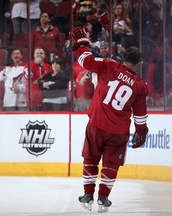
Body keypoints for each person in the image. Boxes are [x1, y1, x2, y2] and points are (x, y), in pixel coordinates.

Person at [70, 27, 149, 212]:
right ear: (138, 64)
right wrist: (141, 133)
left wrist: (81, 44)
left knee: (91, 158)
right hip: (119, 131)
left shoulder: (109, 65)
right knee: (111, 163)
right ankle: (103, 197)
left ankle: (88, 194)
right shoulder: (140, 86)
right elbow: (140, 115)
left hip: (96, 123)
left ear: (123, 58)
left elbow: (87, 61)